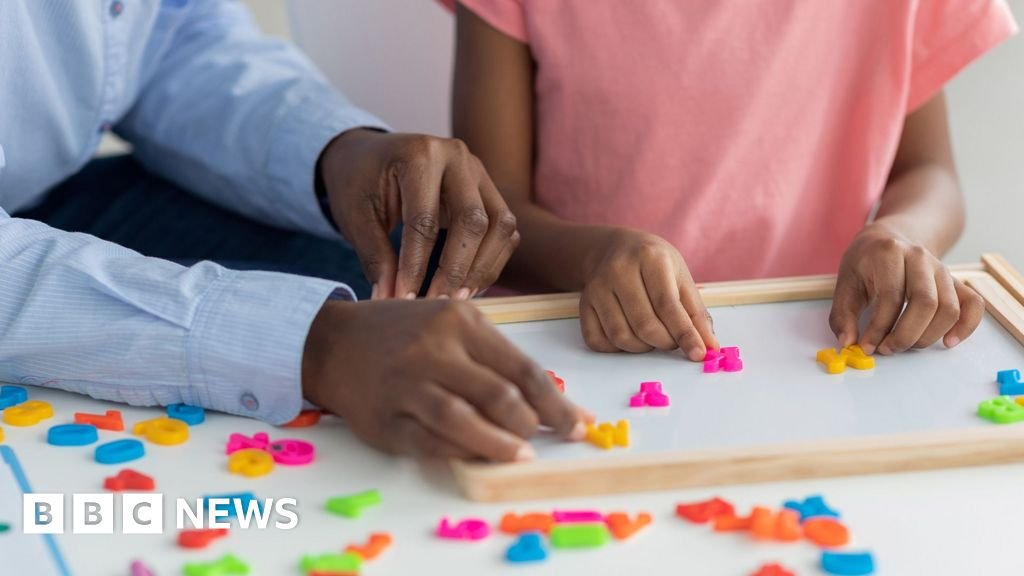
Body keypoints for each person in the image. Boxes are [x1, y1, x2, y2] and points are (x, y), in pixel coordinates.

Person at [0, 0, 588, 463]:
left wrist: (335, 151)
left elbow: (173, 41)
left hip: (42, 192)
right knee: (354, 328)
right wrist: (309, 345)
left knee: (390, 265)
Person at [444, 0, 1016, 359]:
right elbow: (488, 215)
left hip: (813, 343)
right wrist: (595, 256)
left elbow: (928, 172)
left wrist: (899, 233)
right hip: (569, 342)